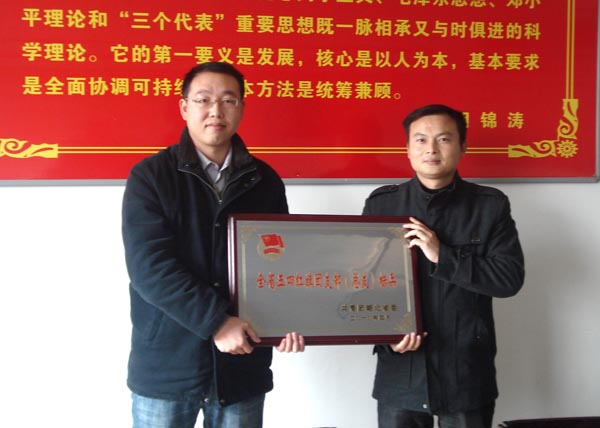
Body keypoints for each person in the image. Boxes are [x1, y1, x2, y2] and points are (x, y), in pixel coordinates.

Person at [122, 61, 305, 428]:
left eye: (228, 100)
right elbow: (149, 268)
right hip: (168, 363)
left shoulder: (265, 181)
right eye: (203, 99)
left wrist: (291, 319)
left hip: (242, 364)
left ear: (242, 108)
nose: (216, 111)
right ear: (184, 107)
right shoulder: (151, 176)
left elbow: (278, 263)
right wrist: (216, 322)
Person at [362, 104, 525, 428]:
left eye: (444, 139)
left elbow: (508, 279)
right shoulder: (382, 205)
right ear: (407, 149)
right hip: (401, 370)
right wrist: (385, 336)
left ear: (463, 147)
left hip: (466, 371)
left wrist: (442, 255)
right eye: (420, 140)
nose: (431, 149)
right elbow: (362, 283)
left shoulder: (489, 206)